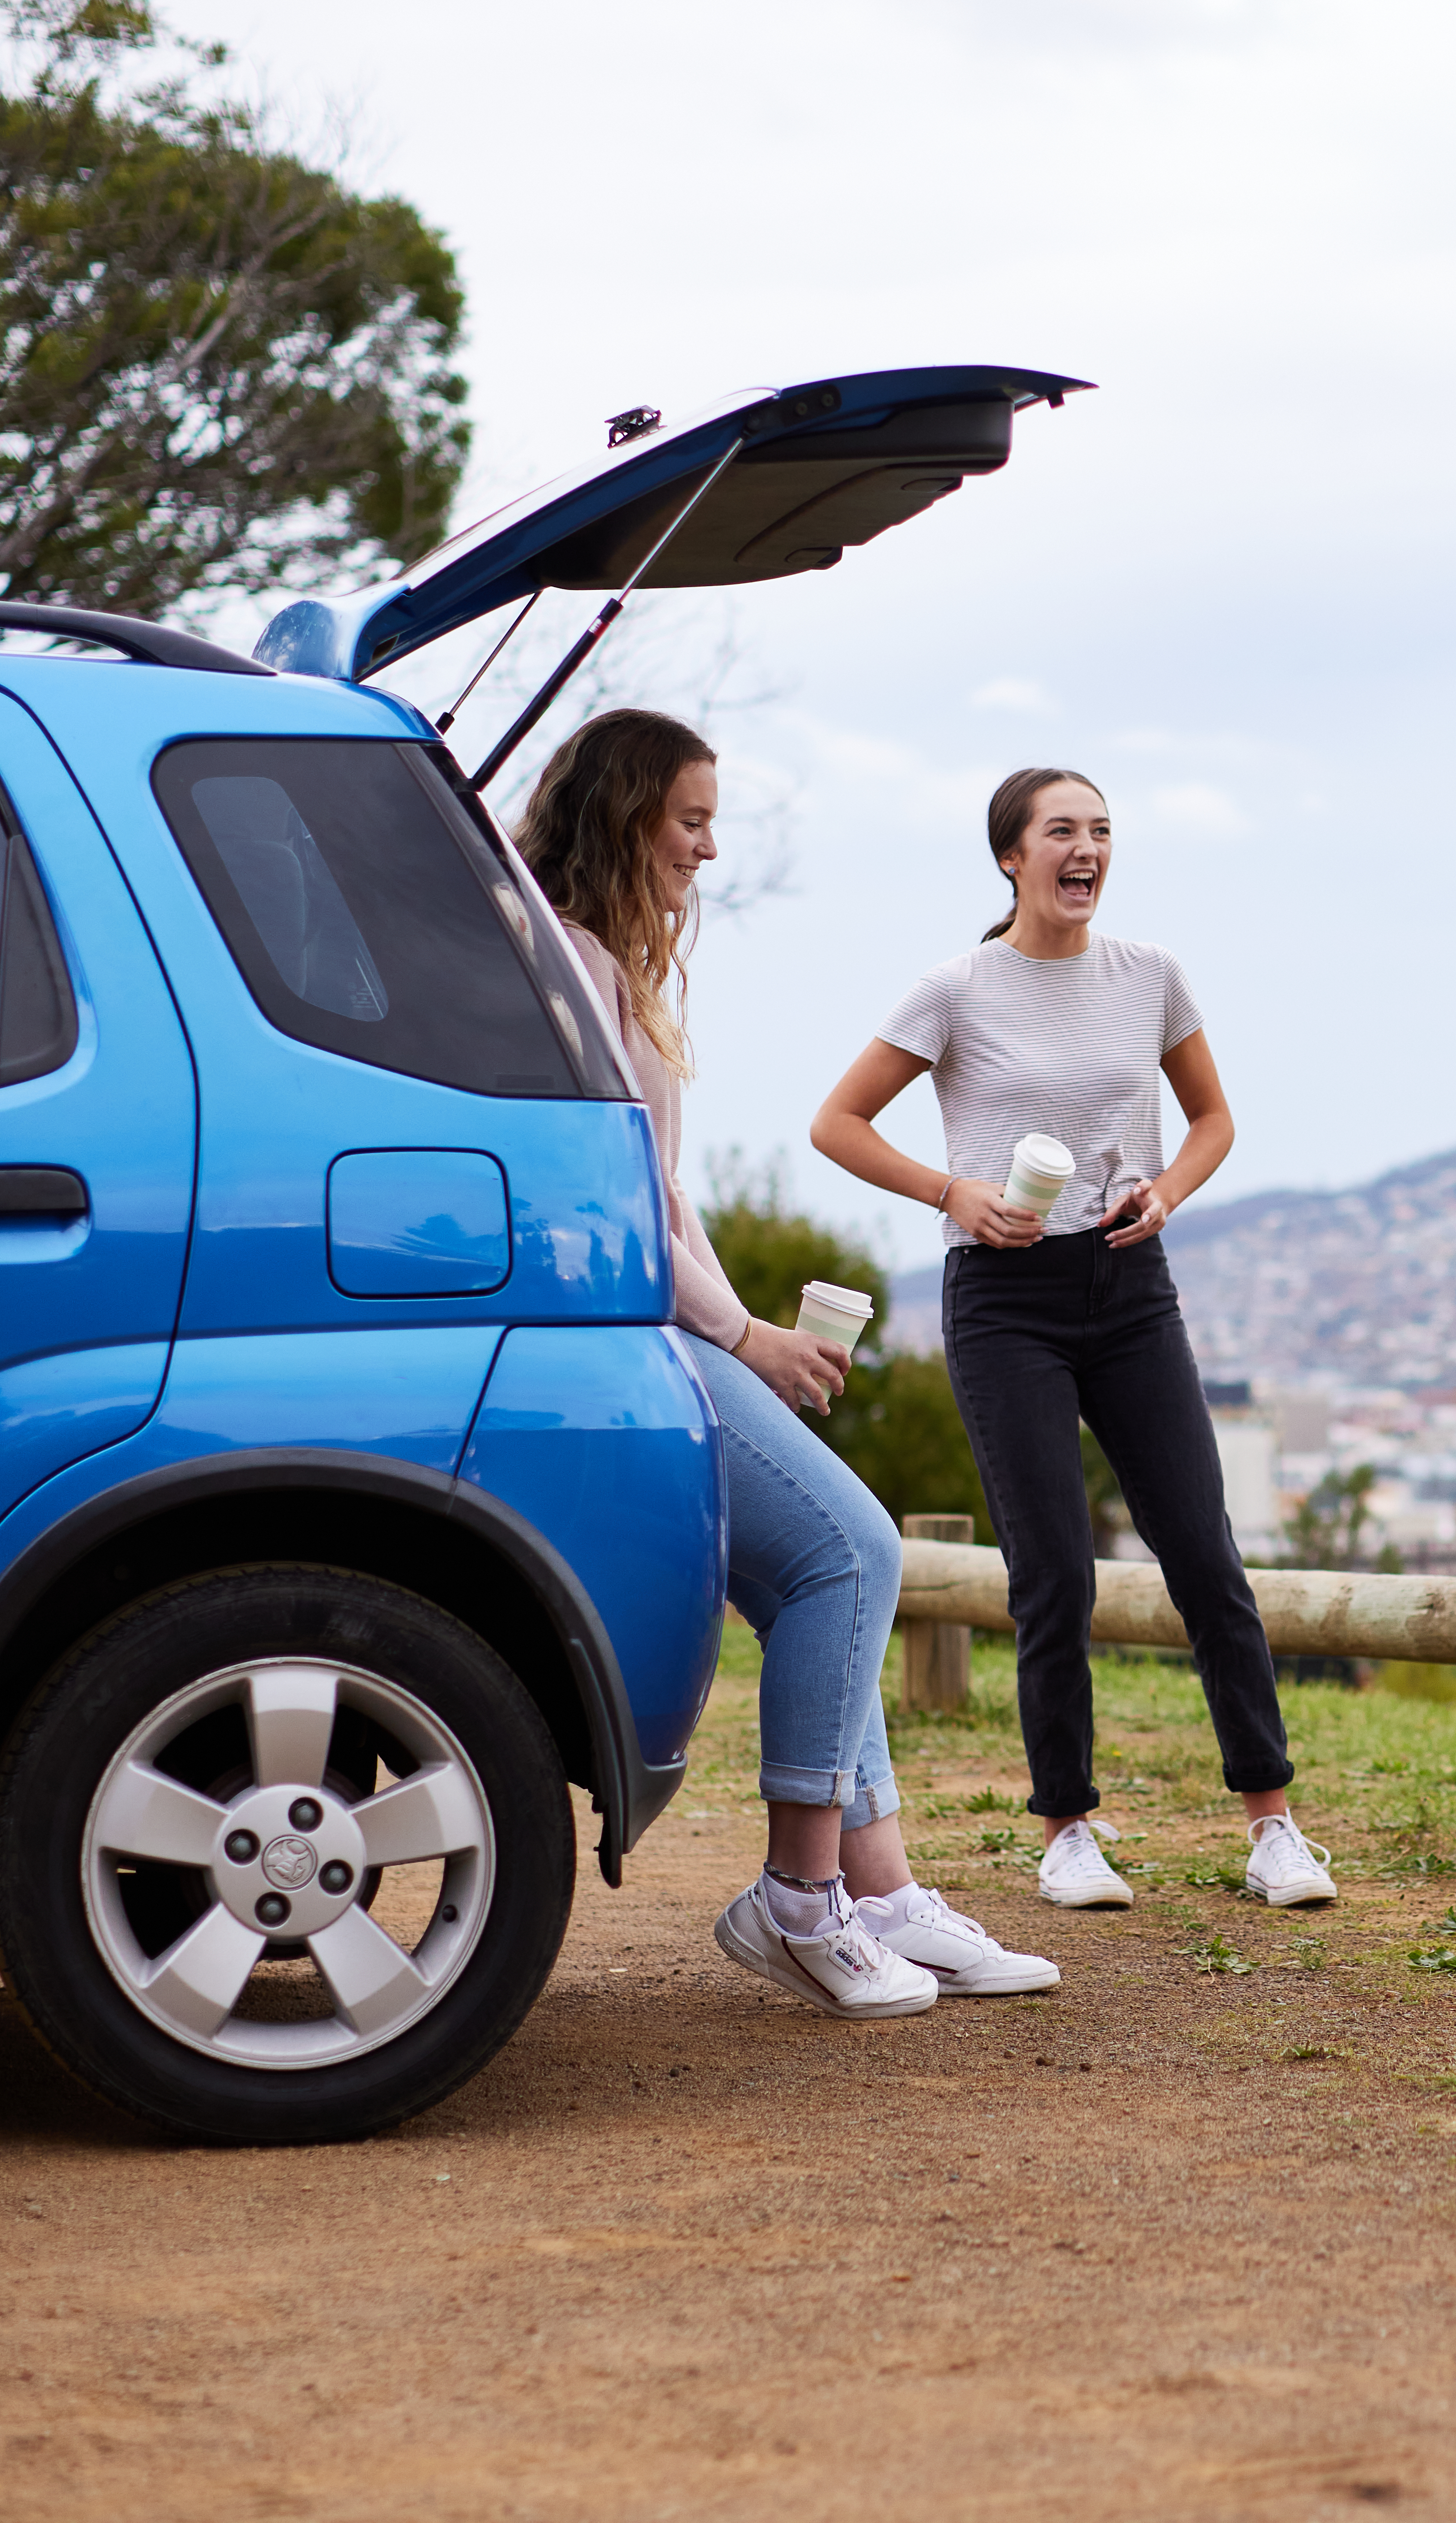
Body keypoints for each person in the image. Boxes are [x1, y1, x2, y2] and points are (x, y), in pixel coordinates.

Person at [513, 709, 1058, 2015]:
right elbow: (626, 1199)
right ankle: (799, 1899)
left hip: (666, 1320)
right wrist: (739, 1335)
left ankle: (877, 1889)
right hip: (629, 1329)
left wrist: (744, 1326)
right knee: (852, 1554)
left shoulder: (596, 960)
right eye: (690, 819)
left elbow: (666, 1191)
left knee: (824, 1572)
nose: (707, 847)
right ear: (624, 813)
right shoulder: (570, 962)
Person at [809, 767, 1332, 1914]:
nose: (1086, 848)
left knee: (1203, 1552)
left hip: (1130, 1282)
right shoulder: (955, 987)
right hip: (1004, 1297)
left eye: (1101, 830)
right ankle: (1068, 1832)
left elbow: (1212, 1119)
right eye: (1063, 831)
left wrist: (1168, 1192)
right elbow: (836, 1122)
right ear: (1012, 855)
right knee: (1051, 1569)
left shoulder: (1150, 976)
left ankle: (1275, 1824)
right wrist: (956, 1192)